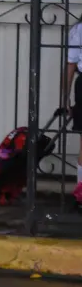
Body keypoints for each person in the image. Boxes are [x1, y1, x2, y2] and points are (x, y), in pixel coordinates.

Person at [63, 22, 82, 200]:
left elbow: (71, 64)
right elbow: (71, 64)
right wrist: (65, 98)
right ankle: (81, 193)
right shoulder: (80, 29)